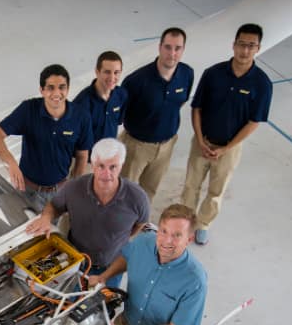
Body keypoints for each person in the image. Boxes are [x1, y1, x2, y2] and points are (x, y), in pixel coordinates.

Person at [180, 23, 273, 245]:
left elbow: (254, 121)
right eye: (242, 44)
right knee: (191, 185)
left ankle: (203, 224)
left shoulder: (262, 84)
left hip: (229, 149)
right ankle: (183, 222)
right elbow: (197, 108)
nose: (245, 50)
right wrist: (201, 140)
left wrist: (226, 148)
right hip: (202, 142)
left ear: (258, 48)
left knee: (215, 191)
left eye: (251, 46)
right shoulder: (213, 74)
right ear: (234, 45)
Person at [25, 138, 149, 288]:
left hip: (111, 268)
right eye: (101, 166)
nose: (106, 173)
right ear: (93, 164)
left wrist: (117, 239)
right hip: (74, 261)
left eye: (113, 167)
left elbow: (139, 224)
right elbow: (54, 206)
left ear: (121, 166)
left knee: (103, 305)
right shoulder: (74, 188)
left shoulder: (138, 197)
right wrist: (46, 217)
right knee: (66, 303)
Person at [0, 64, 93, 212]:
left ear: (67, 89)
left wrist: (73, 185)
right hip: (26, 190)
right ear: (41, 90)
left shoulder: (81, 117)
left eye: (62, 87)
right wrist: (11, 163)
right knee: (28, 232)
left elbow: (82, 155)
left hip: (59, 192)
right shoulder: (28, 110)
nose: (57, 93)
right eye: (50, 88)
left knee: (50, 231)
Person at [120, 27, 194, 203]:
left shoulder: (186, 74)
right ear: (160, 47)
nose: (172, 53)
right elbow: (122, 113)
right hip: (136, 147)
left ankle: (140, 224)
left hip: (166, 146)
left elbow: (180, 102)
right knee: (123, 192)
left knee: (149, 191)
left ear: (183, 49)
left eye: (178, 48)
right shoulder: (136, 81)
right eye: (168, 47)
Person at [72, 51, 127, 146]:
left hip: (109, 154)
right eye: (107, 72)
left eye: (116, 72)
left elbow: (117, 122)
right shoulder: (82, 102)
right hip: (87, 158)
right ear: (97, 72)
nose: (112, 77)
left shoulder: (122, 95)